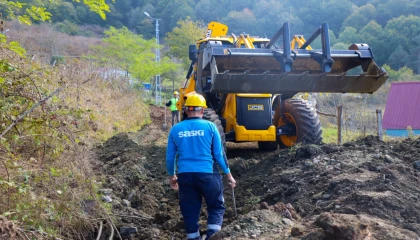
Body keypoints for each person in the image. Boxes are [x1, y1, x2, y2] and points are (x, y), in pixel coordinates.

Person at [166, 93, 236, 240]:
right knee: (216, 207)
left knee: (190, 210)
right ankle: (212, 236)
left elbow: (170, 157)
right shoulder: (210, 127)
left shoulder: (176, 129)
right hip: (208, 174)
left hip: (185, 176)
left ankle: (194, 238)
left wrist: (172, 176)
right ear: (203, 110)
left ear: (185, 110)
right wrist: (228, 175)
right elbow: (219, 155)